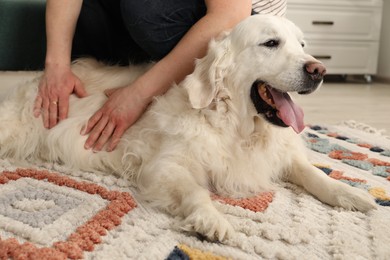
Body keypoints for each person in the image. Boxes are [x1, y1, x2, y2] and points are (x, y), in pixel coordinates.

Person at [33, 0, 285, 153]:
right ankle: (139, 74)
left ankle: (161, 81)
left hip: (244, 28)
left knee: (144, 7)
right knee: (87, 9)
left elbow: (230, 15)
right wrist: (56, 65)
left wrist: (138, 94)